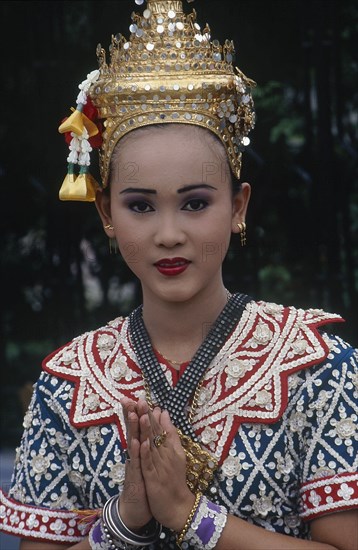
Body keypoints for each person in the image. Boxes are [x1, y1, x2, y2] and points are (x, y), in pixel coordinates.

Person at [1, 1, 357, 549]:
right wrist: (125, 519)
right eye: (141, 207)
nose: (169, 233)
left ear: (239, 207)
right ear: (106, 216)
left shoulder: (316, 364)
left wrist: (193, 517)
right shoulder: (68, 382)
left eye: (194, 203)